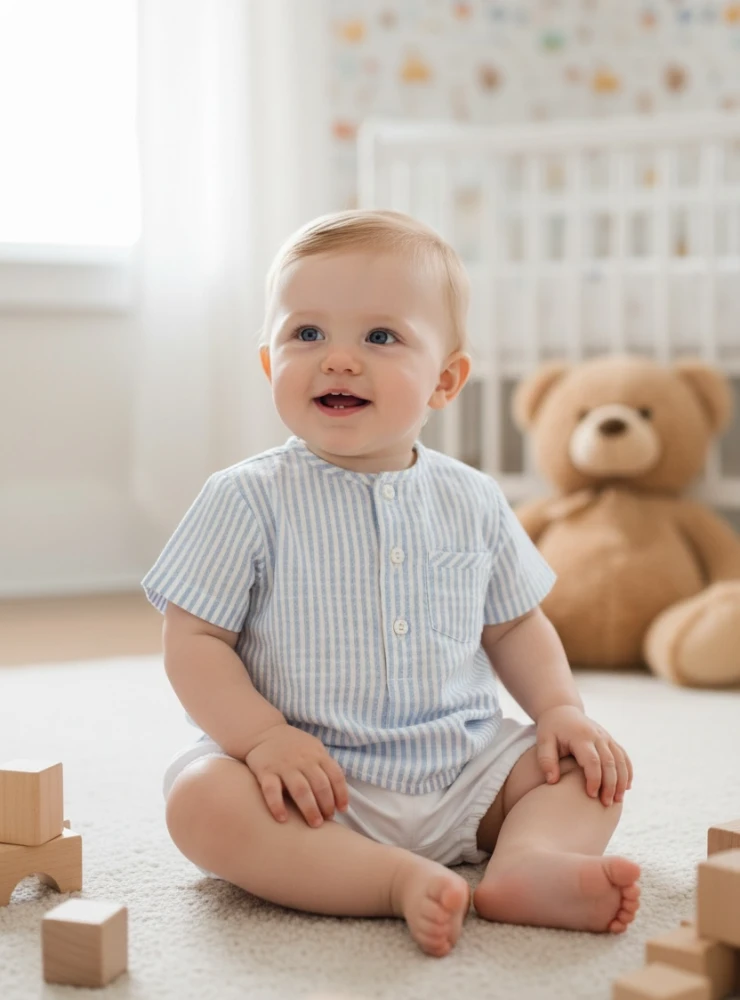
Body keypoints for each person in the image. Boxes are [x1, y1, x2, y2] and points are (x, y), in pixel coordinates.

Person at [142, 209, 640, 958]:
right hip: (306, 789)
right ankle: (383, 879)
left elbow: (514, 625)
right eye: (306, 334)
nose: (338, 359)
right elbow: (194, 638)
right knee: (200, 802)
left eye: (380, 337)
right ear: (270, 364)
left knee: (586, 767)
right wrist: (263, 738)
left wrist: (561, 709)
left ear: (445, 380)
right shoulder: (245, 498)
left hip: (465, 772)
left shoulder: (473, 498)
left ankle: (527, 866)